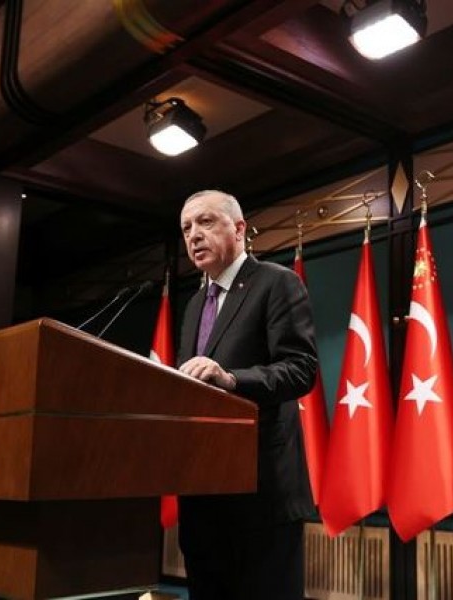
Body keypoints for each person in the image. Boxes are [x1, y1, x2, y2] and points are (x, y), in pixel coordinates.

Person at [176, 190, 317, 600]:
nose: (194, 235)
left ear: (239, 229)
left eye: (205, 222)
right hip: (203, 496)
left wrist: (233, 379)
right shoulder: (194, 304)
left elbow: (301, 369)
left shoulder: (276, 282)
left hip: (261, 496)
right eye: (186, 228)